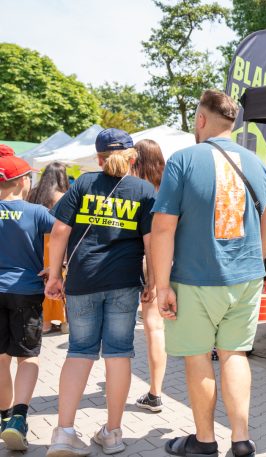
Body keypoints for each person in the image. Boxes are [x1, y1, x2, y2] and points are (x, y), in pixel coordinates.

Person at [151, 90, 266, 457]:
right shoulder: (257, 163)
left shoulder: (184, 159)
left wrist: (161, 286)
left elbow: (162, 228)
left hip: (195, 278)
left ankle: (205, 442)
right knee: (235, 354)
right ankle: (241, 439)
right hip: (247, 276)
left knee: (197, 357)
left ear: (201, 120)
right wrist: (261, 259)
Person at [45, 129, 156, 456]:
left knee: (79, 351)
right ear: (133, 156)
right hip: (124, 282)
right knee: (119, 353)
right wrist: (154, 283)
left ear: (98, 158)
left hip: (82, 280)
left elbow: (59, 230)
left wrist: (54, 275)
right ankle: (113, 433)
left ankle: (64, 432)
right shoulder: (144, 190)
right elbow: (151, 243)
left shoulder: (82, 184)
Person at [0, 150, 54, 451]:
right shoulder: (35, 212)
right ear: (22, 181)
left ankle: (4, 417)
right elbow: (64, 232)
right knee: (28, 356)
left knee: (0, 358)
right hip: (26, 290)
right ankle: (19, 419)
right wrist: (57, 267)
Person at [130, 139, 168, 414]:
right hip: (174, 259)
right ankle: (155, 390)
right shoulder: (169, 186)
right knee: (159, 328)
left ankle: (155, 393)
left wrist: (153, 281)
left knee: (153, 327)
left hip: (146, 261)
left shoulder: (138, 190)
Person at [26, 161, 70, 333]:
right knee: (58, 277)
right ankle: (64, 322)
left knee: (43, 279)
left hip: (38, 243)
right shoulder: (64, 195)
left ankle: (44, 322)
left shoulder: (34, 194)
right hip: (57, 242)